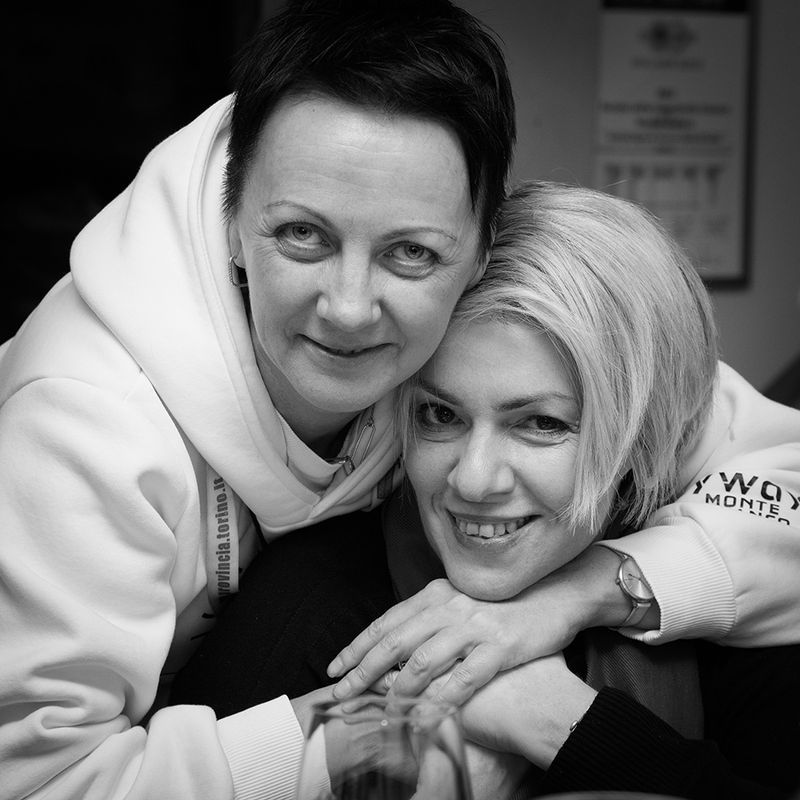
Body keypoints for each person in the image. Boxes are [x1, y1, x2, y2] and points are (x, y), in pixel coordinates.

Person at [0, 2, 516, 799]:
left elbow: (737, 468)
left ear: (482, 253)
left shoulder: (481, 326)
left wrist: (581, 598)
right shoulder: (85, 418)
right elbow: (38, 783)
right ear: (232, 220)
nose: (349, 308)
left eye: (410, 253)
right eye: (303, 236)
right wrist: (385, 730)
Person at [379, 181, 800, 798]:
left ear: (643, 441)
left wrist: (562, 722)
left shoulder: (755, 666)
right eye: (441, 414)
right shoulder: (320, 594)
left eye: (542, 423)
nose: (472, 477)